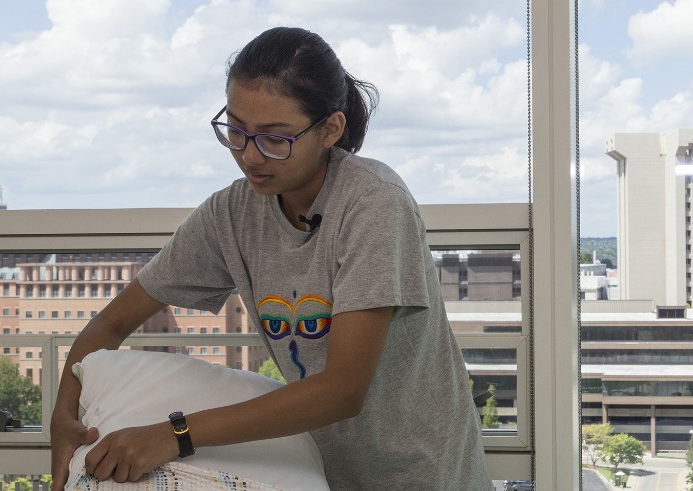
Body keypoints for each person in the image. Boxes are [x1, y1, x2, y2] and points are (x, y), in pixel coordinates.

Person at [49, 26, 492, 490]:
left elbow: (343, 391)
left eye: (274, 138)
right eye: (236, 131)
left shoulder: (373, 203)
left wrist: (173, 435)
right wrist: (64, 418)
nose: (248, 155)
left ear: (330, 129)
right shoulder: (232, 214)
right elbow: (109, 326)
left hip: (421, 475)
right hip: (311, 473)